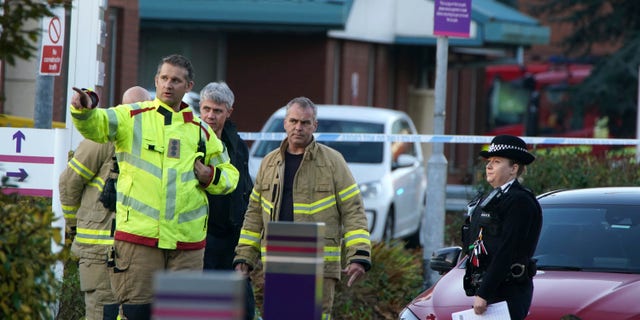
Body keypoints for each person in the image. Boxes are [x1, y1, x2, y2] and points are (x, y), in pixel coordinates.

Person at [69, 54, 240, 320]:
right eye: (164, 78)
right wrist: (84, 107)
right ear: (156, 81)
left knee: (180, 316)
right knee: (136, 314)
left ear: (189, 86)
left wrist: (210, 176)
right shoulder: (131, 117)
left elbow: (231, 176)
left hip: (187, 246)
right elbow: (96, 125)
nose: (168, 85)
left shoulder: (200, 131)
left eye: (176, 80)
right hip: (139, 241)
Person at [233, 96, 372, 319]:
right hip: (278, 263)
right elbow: (254, 215)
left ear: (314, 125)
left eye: (305, 123)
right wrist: (244, 257)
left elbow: (353, 210)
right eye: (294, 121)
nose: (299, 127)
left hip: (318, 265)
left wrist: (359, 255)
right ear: (285, 123)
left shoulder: (333, 162)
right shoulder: (269, 163)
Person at [59, 86, 151, 320]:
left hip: (132, 250)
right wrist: (74, 226)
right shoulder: (101, 140)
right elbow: (69, 183)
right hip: (100, 249)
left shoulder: (148, 142)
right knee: (103, 313)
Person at [462, 134, 542, 319]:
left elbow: (507, 249)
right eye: (489, 161)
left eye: (497, 161)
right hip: (491, 287)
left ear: (514, 168)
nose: (489, 166)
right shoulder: (493, 198)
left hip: (508, 290)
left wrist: (484, 293)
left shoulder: (520, 201)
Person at [199, 81, 255, 320]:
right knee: (207, 306)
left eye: (217, 111)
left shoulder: (237, 144)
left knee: (243, 308)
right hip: (202, 235)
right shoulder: (192, 139)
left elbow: (245, 187)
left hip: (233, 236)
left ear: (229, 112)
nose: (210, 116)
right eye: (206, 109)